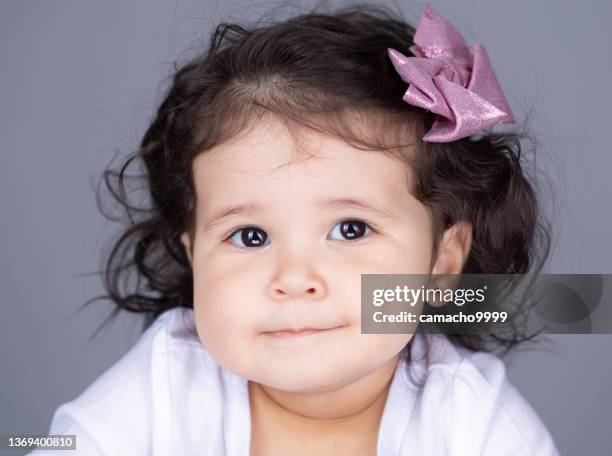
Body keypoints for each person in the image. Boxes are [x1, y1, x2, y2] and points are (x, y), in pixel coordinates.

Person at [31, 3, 560, 455]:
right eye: (250, 237)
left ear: (442, 261)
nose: (294, 277)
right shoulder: (156, 394)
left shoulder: (475, 423)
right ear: (195, 260)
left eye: (350, 229)